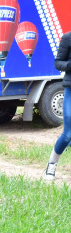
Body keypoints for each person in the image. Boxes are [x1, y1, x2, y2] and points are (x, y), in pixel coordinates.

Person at [44, 30, 71, 180]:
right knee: (67, 134)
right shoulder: (67, 38)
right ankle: (51, 165)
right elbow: (57, 63)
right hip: (70, 90)